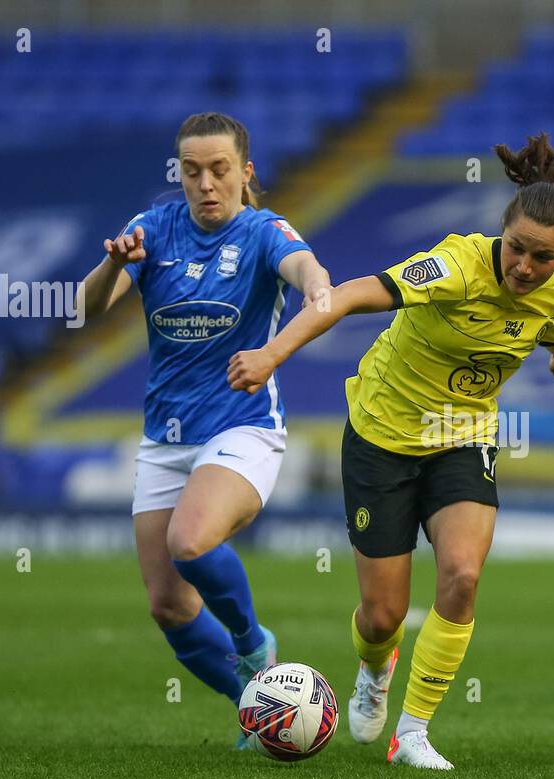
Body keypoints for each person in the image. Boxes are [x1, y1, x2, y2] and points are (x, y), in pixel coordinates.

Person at [228, 134, 554, 769]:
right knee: (383, 615)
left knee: (462, 574)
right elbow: (356, 293)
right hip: (381, 435)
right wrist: (273, 354)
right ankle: (373, 669)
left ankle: (411, 734)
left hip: (461, 438)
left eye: (542, 258)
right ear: (502, 234)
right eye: (517, 249)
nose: (524, 267)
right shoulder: (454, 266)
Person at [82, 112, 332, 746]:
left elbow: (315, 283)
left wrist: (292, 321)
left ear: (245, 174)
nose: (205, 183)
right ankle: (257, 707)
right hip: (165, 440)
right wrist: (114, 267)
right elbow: (83, 310)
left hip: (243, 428)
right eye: (191, 171)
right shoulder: (151, 228)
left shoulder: (264, 231)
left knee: (188, 541)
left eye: (220, 170)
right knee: (167, 605)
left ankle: (254, 645)